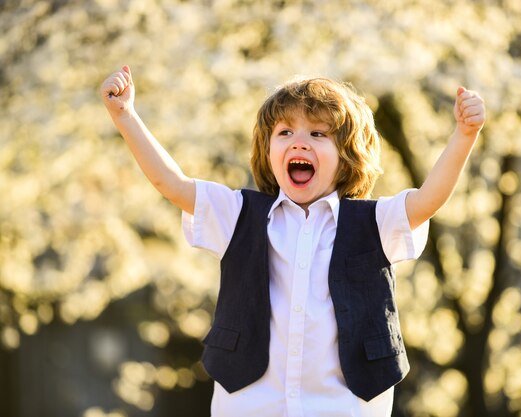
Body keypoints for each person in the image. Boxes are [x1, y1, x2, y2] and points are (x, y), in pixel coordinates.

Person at [100, 65, 485, 417]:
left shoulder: (374, 222)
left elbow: (428, 200)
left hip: (345, 406)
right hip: (250, 405)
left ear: (347, 157)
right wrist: (125, 115)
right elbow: (171, 184)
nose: (299, 143)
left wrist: (464, 135)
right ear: (269, 152)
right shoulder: (238, 214)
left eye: (318, 134)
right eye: (285, 133)